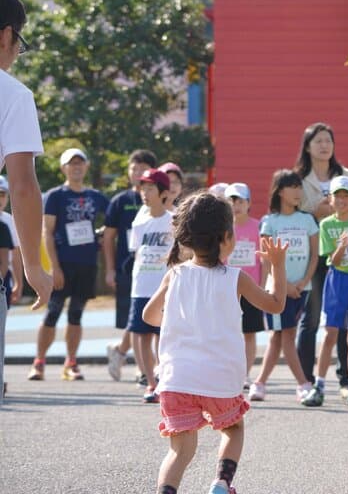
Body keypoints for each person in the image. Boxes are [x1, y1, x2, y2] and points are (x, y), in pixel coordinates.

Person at [141, 192, 288, 494]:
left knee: (180, 452)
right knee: (233, 430)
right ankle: (222, 483)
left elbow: (149, 316)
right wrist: (277, 266)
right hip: (220, 378)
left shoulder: (175, 275)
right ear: (226, 237)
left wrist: (178, 319)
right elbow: (275, 304)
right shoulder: (236, 278)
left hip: (176, 380)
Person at [0, 0, 54, 404]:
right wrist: (33, 265)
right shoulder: (13, 95)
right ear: (6, 36)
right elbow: (22, 186)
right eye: (20, 40)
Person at [294, 122, 348, 396]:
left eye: (328, 140)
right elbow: (294, 215)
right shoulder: (299, 178)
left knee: (345, 320)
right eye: (318, 141)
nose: (324, 145)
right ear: (308, 146)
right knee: (311, 319)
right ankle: (307, 382)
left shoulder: (346, 175)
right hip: (314, 255)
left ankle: (347, 381)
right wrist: (317, 212)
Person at [28, 148, 108, 382]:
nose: (76, 167)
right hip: (63, 264)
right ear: (63, 168)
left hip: (87, 264)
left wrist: (102, 236)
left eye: (80, 163)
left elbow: (113, 221)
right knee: (52, 313)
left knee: (76, 314)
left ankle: (71, 363)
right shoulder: (55, 196)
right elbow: (47, 233)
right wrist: (55, 267)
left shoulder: (96, 196)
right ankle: (39, 362)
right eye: (71, 163)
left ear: (86, 166)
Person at [301, 175, 348, 407]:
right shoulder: (327, 224)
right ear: (331, 199)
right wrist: (342, 246)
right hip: (337, 280)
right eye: (338, 196)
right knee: (329, 334)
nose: (342, 200)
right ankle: (319, 386)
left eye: (347, 196)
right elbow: (332, 261)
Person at [249, 170, 319, 402]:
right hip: (277, 290)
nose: (298, 192)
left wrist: (302, 282)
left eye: (300, 187)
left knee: (279, 338)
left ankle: (259, 383)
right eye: (293, 187)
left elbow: (314, 256)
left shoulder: (307, 220)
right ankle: (304, 384)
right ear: (280, 191)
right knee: (285, 335)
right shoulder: (269, 222)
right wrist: (284, 285)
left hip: (302, 289)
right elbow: (266, 259)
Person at [104, 149, 157, 381]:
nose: (136, 173)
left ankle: (123, 352)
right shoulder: (120, 201)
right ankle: (141, 366)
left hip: (156, 269)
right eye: (132, 168)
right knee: (134, 319)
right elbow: (108, 237)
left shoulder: (161, 200)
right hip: (130, 269)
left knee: (148, 318)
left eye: (142, 169)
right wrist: (110, 269)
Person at [129, 169, 173, 402]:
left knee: (163, 336)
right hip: (141, 287)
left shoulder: (172, 220)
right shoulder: (140, 219)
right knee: (142, 335)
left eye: (150, 188)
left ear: (163, 193)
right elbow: (136, 252)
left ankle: (165, 380)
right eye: (142, 188)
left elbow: (180, 254)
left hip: (164, 289)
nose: (144, 193)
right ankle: (151, 383)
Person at [223, 182, 265, 387]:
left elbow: (263, 260)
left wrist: (263, 286)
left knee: (249, 333)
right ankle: (228, 372)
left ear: (248, 203)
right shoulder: (222, 229)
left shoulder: (258, 227)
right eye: (231, 201)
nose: (236, 205)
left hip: (251, 289)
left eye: (240, 201)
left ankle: (245, 374)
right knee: (228, 333)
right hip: (227, 288)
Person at [0, 175, 23, 306]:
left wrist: (18, 283)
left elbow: (15, 254)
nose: (0, 199)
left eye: (2, 194)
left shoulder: (9, 221)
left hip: (4, 276)